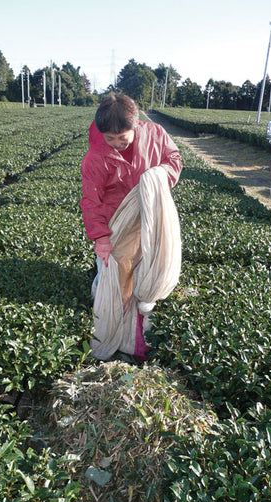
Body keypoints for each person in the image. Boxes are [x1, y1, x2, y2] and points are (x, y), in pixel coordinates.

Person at [80, 93, 182, 360]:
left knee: (146, 264)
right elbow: (91, 200)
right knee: (117, 268)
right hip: (117, 220)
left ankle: (140, 319)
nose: (115, 144)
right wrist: (101, 238)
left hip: (148, 214)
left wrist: (156, 177)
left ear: (135, 126)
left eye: (122, 138)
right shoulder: (95, 157)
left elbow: (174, 160)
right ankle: (122, 328)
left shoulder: (155, 134)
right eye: (109, 138)